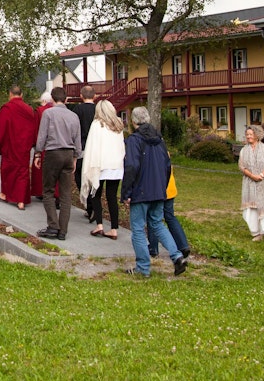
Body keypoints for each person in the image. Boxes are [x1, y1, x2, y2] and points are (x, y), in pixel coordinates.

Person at [120, 106, 188, 277]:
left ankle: (143, 268)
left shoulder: (134, 140)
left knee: (137, 228)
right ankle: (177, 256)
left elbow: (132, 166)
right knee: (157, 223)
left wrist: (126, 192)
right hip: (158, 189)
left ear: (133, 122)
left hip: (141, 190)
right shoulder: (160, 139)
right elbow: (167, 165)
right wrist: (163, 188)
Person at [34, 87, 82, 241]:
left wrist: (37, 153)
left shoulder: (48, 113)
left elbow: (42, 136)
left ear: (52, 100)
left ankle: (53, 226)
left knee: (48, 190)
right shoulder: (74, 116)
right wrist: (76, 157)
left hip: (53, 152)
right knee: (66, 194)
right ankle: (63, 230)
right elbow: (77, 139)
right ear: (66, 99)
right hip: (69, 153)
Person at [81, 98, 125, 239]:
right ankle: (114, 228)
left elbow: (92, 146)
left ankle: (99, 225)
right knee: (112, 197)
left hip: (100, 164)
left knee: (96, 194)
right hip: (116, 165)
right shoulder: (118, 124)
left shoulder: (97, 124)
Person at [0, 85, 36, 210]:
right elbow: (33, 126)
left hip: (10, 145)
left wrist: (3, 139)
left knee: (8, 171)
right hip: (24, 146)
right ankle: (21, 201)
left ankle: (4, 194)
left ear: (10, 94)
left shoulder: (7, 108)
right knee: (23, 172)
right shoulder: (28, 109)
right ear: (21, 95)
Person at [238, 124, 264, 242]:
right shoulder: (244, 150)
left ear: (257, 135)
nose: (248, 137)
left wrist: (261, 175)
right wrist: (252, 176)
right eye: (247, 135)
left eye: (251, 134)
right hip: (249, 182)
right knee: (251, 209)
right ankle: (256, 233)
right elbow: (241, 166)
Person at [148, 166, 191, 262]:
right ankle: (183, 245)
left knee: (153, 218)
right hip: (170, 188)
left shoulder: (153, 152)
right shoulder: (165, 152)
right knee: (170, 217)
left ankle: (153, 247)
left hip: (159, 189)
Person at [68, 86, 97, 191]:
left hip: (81, 145)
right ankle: (92, 197)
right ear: (95, 96)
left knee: (79, 173)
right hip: (96, 146)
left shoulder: (77, 110)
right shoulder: (98, 110)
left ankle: (84, 196)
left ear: (81, 96)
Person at [29, 93, 53, 200]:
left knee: (40, 170)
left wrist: (35, 145)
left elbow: (36, 129)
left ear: (43, 100)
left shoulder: (39, 111)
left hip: (42, 144)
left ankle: (40, 191)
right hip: (55, 145)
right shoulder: (56, 110)